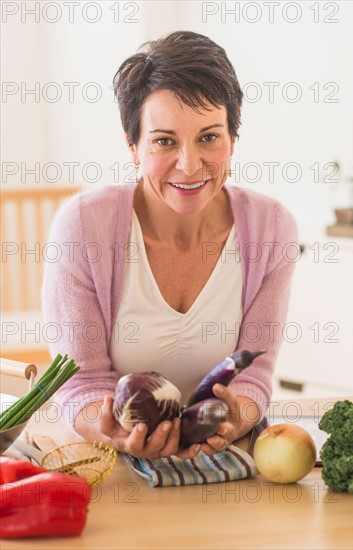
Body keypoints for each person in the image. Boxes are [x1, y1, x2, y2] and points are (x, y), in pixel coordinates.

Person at [42, 30, 298, 461]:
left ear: (233, 140)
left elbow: (253, 378)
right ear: (133, 146)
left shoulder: (271, 229)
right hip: (113, 468)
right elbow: (80, 383)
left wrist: (239, 416)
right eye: (164, 141)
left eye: (208, 137)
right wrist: (110, 430)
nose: (189, 163)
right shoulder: (84, 227)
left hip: (219, 461)